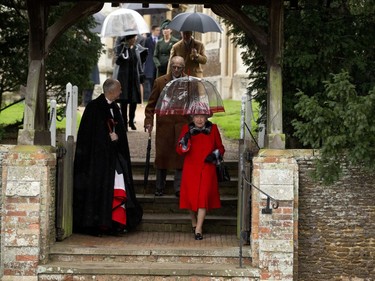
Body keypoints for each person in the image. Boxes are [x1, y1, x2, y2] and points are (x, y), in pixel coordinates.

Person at [73, 78, 143, 236]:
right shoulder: (93, 108)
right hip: (97, 162)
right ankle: (97, 224)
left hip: (114, 158)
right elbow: (89, 136)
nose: (121, 92)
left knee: (118, 189)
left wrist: (116, 139)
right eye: (119, 89)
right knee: (99, 191)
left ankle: (114, 222)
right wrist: (107, 137)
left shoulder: (115, 107)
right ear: (112, 91)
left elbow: (119, 134)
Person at [176, 103, 225, 240]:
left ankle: (198, 228)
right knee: (190, 200)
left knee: (203, 198)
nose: (199, 120)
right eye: (196, 116)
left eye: (202, 116)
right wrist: (184, 143)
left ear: (207, 117)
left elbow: (221, 148)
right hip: (191, 168)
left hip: (207, 168)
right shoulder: (186, 128)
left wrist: (214, 155)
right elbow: (179, 150)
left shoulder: (213, 129)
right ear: (192, 117)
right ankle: (194, 222)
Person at [144, 56, 189, 198]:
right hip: (164, 124)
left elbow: (194, 103)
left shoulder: (189, 82)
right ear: (170, 65)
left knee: (180, 155)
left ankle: (179, 188)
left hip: (182, 124)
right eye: (174, 66)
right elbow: (151, 105)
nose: (176, 69)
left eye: (179, 67)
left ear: (183, 67)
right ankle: (159, 186)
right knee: (162, 156)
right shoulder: (159, 81)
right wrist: (148, 121)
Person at [115, 33, 146, 131]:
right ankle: (124, 122)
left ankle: (131, 121)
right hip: (124, 78)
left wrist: (141, 74)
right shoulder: (121, 47)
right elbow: (118, 61)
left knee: (133, 101)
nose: (135, 39)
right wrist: (124, 49)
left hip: (134, 78)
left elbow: (139, 62)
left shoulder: (136, 48)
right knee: (124, 101)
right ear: (129, 39)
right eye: (133, 38)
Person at [143, 26, 161, 102]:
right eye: (157, 30)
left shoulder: (160, 40)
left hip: (157, 64)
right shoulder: (147, 40)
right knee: (150, 81)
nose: (158, 32)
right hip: (149, 63)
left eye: (159, 30)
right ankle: (150, 97)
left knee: (157, 80)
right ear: (152, 30)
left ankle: (157, 97)